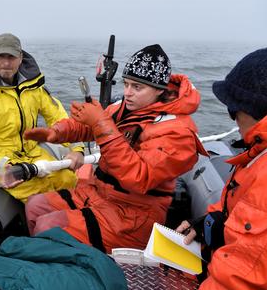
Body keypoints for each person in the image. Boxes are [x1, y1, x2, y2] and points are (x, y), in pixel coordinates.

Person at [24, 44, 207, 253]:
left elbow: (139, 177)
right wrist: (56, 133)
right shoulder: (126, 108)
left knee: (49, 226)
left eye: (137, 87)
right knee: (35, 205)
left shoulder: (177, 132)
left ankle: (67, 272)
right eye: (126, 84)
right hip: (99, 194)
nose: (128, 93)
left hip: (133, 215)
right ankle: (46, 260)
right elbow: (88, 127)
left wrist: (101, 122)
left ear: (159, 90)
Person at [176, 48, 267, 290]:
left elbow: (241, 289)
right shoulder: (255, 156)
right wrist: (209, 224)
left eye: (234, 109)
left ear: (255, 109)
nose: (233, 117)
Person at [0, 33, 84, 201]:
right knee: (41, 196)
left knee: (68, 180)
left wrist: (77, 149)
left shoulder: (32, 83)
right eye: (0, 56)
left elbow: (58, 118)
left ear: (20, 58)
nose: (5, 63)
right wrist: (8, 165)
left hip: (31, 153)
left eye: (11, 57)